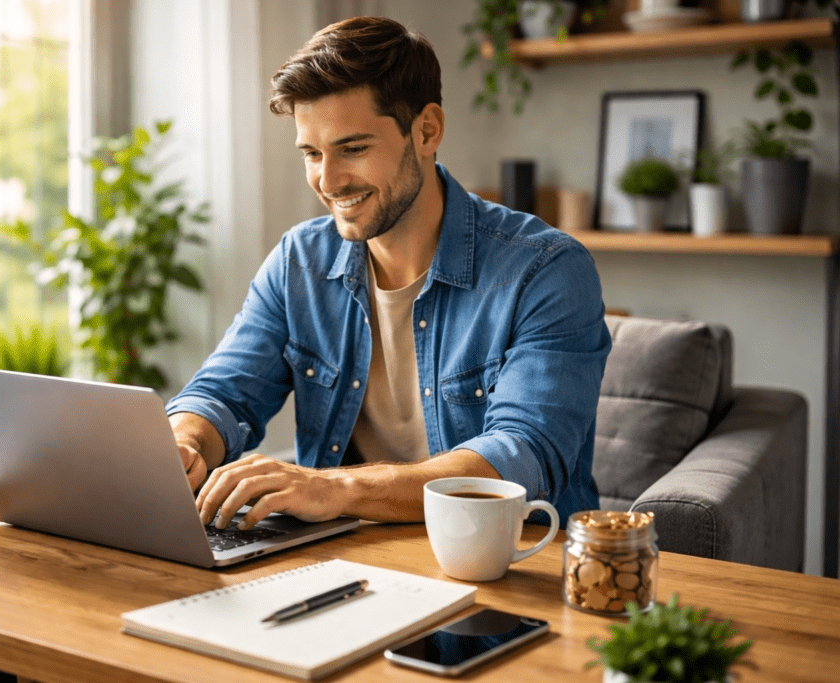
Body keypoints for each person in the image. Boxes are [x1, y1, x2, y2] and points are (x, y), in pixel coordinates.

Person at [166, 16, 611, 532]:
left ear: (426, 130)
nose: (328, 181)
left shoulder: (546, 269)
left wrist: (333, 488)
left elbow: (520, 456)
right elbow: (222, 393)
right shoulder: (299, 263)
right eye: (312, 153)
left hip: (507, 563)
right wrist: (188, 443)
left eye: (353, 149)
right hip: (340, 557)